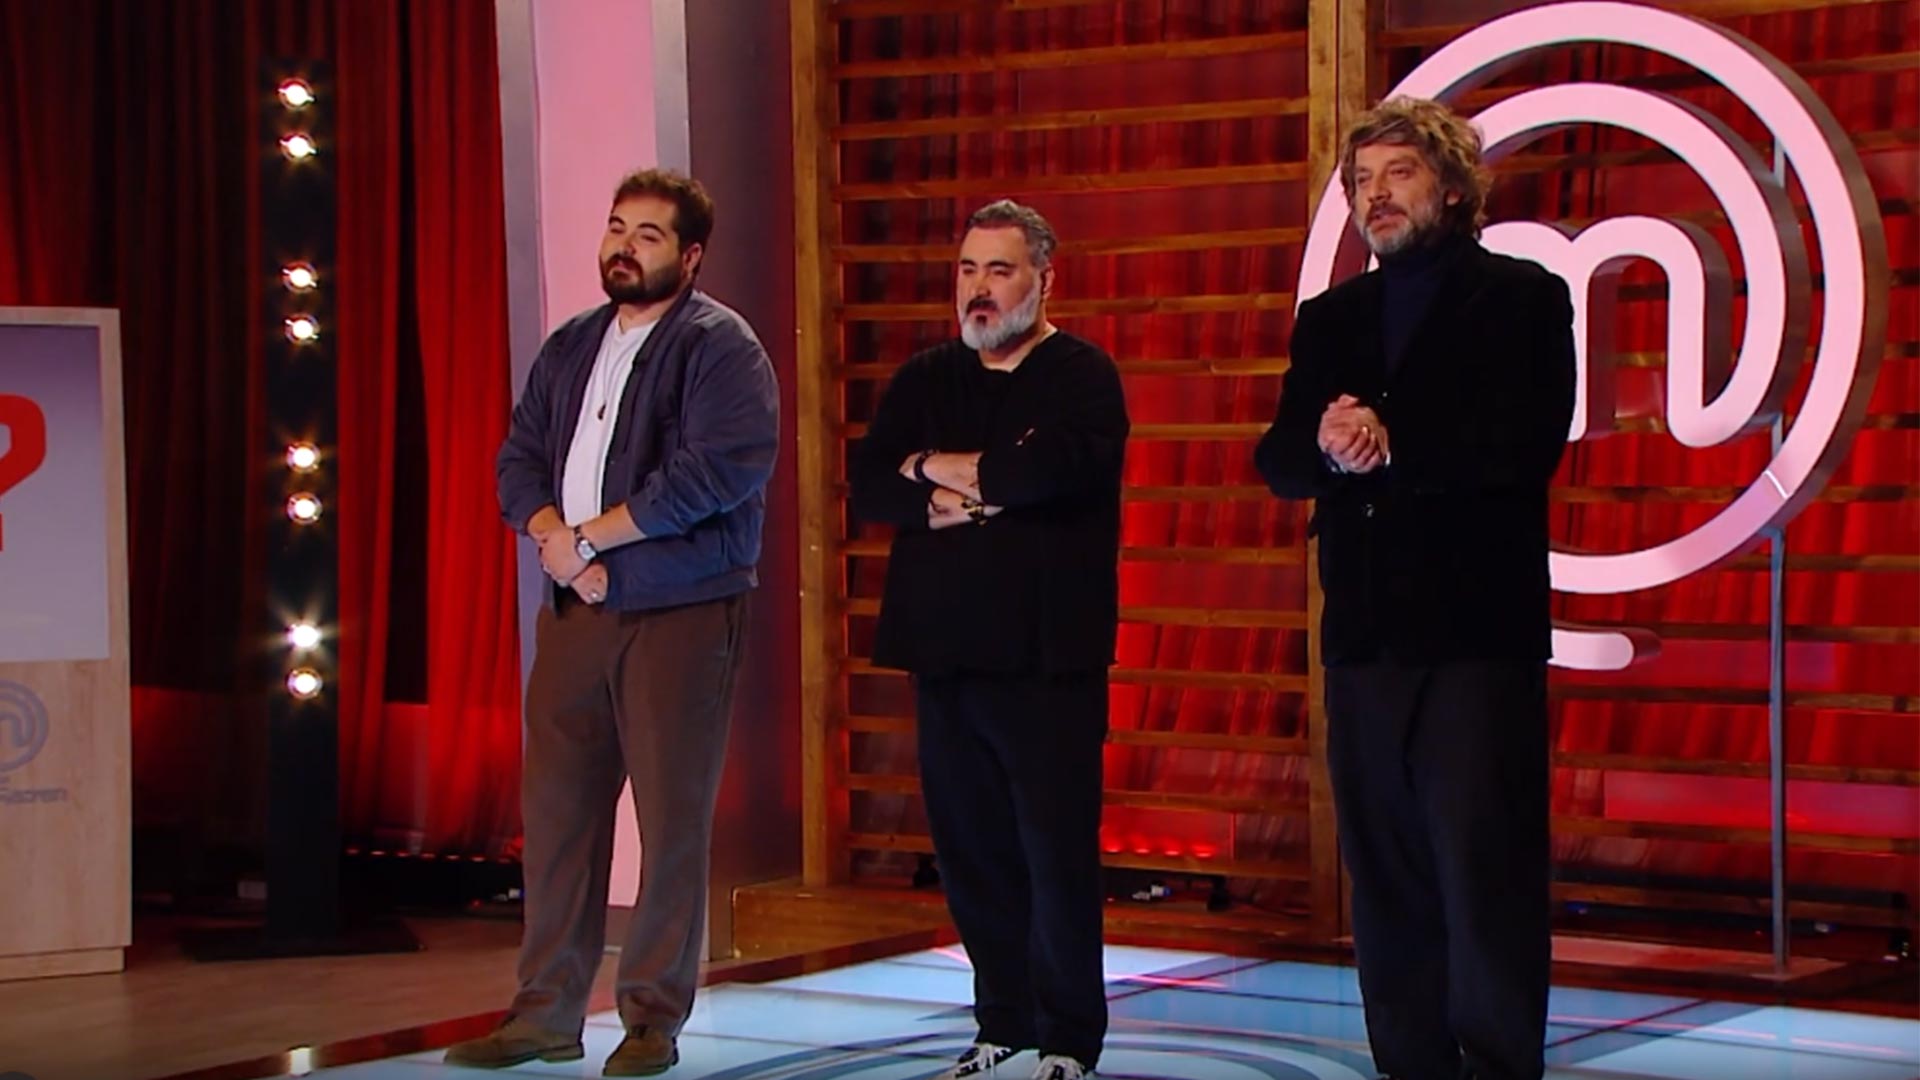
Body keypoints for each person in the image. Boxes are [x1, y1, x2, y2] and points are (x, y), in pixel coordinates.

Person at [1254, 97, 1576, 1080]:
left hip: (1475, 632)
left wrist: (1393, 445)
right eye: (1361, 182)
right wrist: (1324, 444)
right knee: (1385, 871)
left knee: (1484, 866)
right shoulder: (1332, 318)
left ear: (1453, 186)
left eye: (1396, 174)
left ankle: (1498, 1064)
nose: (1375, 196)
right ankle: (1411, 1063)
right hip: (1364, 632)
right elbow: (1278, 459)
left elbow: (1523, 444)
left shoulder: (1522, 297)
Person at [449, 168, 779, 1077]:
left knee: (670, 824)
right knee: (557, 818)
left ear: (691, 256)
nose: (624, 247)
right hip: (576, 612)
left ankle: (651, 1022)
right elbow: (519, 459)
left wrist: (593, 541)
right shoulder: (571, 345)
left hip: (679, 612)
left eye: (648, 235)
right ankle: (544, 1015)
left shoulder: (722, 349)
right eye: (616, 227)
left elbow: (715, 474)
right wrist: (553, 539)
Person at [849, 200, 1128, 1080]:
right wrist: (943, 473)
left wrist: (933, 470)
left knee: (1054, 855)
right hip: (944, 653)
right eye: (968, 269)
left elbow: (1049, 472)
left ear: (1044, 280)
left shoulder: (1083, 374)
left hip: (1048, 660)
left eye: (999, 270)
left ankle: (1068, 1039)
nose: (979, 288)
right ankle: (1000, 1020)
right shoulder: (927, 376)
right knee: (969, 854)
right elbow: (870, 480)